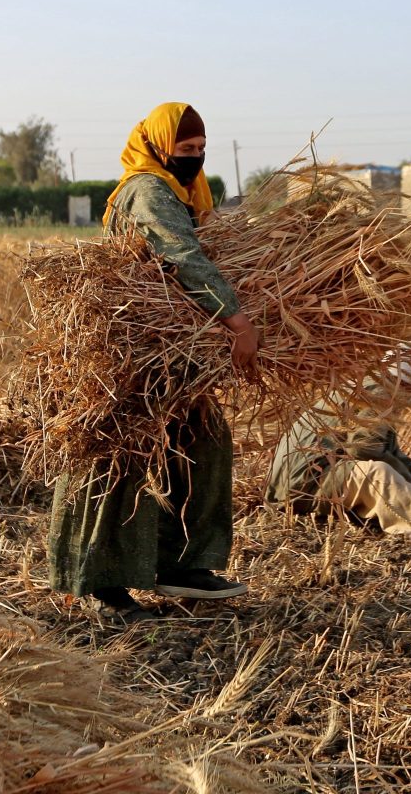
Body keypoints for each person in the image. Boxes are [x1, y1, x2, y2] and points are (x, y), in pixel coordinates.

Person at [47, 102, 258, 621]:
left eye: (202, 150)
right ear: (160, 146)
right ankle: (100, 586)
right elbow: (182, 254)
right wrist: (237, 321)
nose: (196, 158)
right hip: (129, 351)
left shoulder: (180, 192)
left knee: (202, 441)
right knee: (119, 459)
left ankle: (181, 566)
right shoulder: (148, 189)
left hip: (170, 348)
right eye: (186, 150)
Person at [267, 351, 411, 541]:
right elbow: (363, 451)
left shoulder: (368, 387)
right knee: (377, 473)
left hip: (298, 482)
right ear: (403, 382)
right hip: (304, 486)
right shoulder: (380, 393)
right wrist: (408, 481)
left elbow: (386, 449)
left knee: (382, 473)